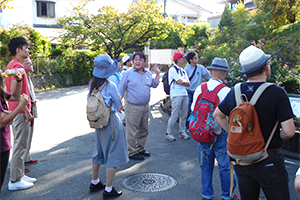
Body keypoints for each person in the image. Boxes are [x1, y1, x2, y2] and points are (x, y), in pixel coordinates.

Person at [213, 45, 295, 200]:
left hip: (242, 160)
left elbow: (217, 115)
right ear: (265, 67)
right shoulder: (277, 92)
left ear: (245, 72)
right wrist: (277, 136)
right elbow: (289, 131)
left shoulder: (235, 91)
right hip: (269, 160)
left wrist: (234, 133)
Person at [191, 57, 238, 200]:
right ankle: (227, 195)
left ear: (210, 71)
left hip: (202, 132)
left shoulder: (200, 88)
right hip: (221, 134)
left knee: (205, 165)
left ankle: (207, 194)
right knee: (225, 167)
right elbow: (233, 116)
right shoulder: (227, 91)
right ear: (225, 74)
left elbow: (194, 110)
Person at [88, 54, 129, 199]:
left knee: (98, 151)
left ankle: (95, 182)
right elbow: (118, 105)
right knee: (113, 153)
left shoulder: (92, 83)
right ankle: (109, 189)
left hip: (98, 122)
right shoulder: (110, 85)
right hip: (111, 121)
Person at [5, 37, 36, 191]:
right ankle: (15, 180)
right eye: (26, 47)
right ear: (19, 50)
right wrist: (27, 111)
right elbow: (15, 94)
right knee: (20, 145)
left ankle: (20, 174)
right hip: (19, 110)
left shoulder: (13, 66)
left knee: (21, 143)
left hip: (17, 109)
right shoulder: (17, 68)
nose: (28, 50)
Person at [118, 52, 160, 160]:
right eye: (135, 59)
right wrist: (118, 103)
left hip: (145, 106)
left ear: (144, 62)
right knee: (132, 130)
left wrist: (157, 73)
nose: (138, 61)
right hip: (133, 107)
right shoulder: (127, 73)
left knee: (144, 129)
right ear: (132, 61)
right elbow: (120, 89)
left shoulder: (148, 74)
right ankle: (131, 152)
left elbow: (155, 85)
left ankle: (140, 149)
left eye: (140, 59)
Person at [0, 69, 28, 194]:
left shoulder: (1, 93)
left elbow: (15, 96)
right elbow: (1, 122)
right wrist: (20, 106)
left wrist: (19, 80)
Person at [165, 52, 190, 141]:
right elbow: (180, 82)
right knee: (174, 115)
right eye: (183, 58)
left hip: (184, 93)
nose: (184, 59)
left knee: (184, 115)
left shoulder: (183, 70)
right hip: (176, 94)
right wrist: (182, 82)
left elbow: (188, 83)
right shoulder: (172, 69)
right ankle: (169, 133)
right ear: (178, 59)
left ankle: (182, 131)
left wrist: (182, 82)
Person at [185, 52, 211, 132]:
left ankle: (196, 125)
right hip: (188, 91)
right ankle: (186, 127)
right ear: (190, 60)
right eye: (195, 58)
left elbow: (209, 76)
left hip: (198, 92)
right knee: (188, 109)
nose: (197, 59)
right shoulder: (186, 70)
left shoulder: (200, 68)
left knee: (198, 109)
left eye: (197, 57)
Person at [23, 58, 38, 169]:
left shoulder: (28, 76)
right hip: (25, 110)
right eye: (28, 63)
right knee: (22, 137)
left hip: (31, 108)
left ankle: (26, 158)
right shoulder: (21, 77)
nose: (31, 64)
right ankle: (20, 163)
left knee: (30, 134)